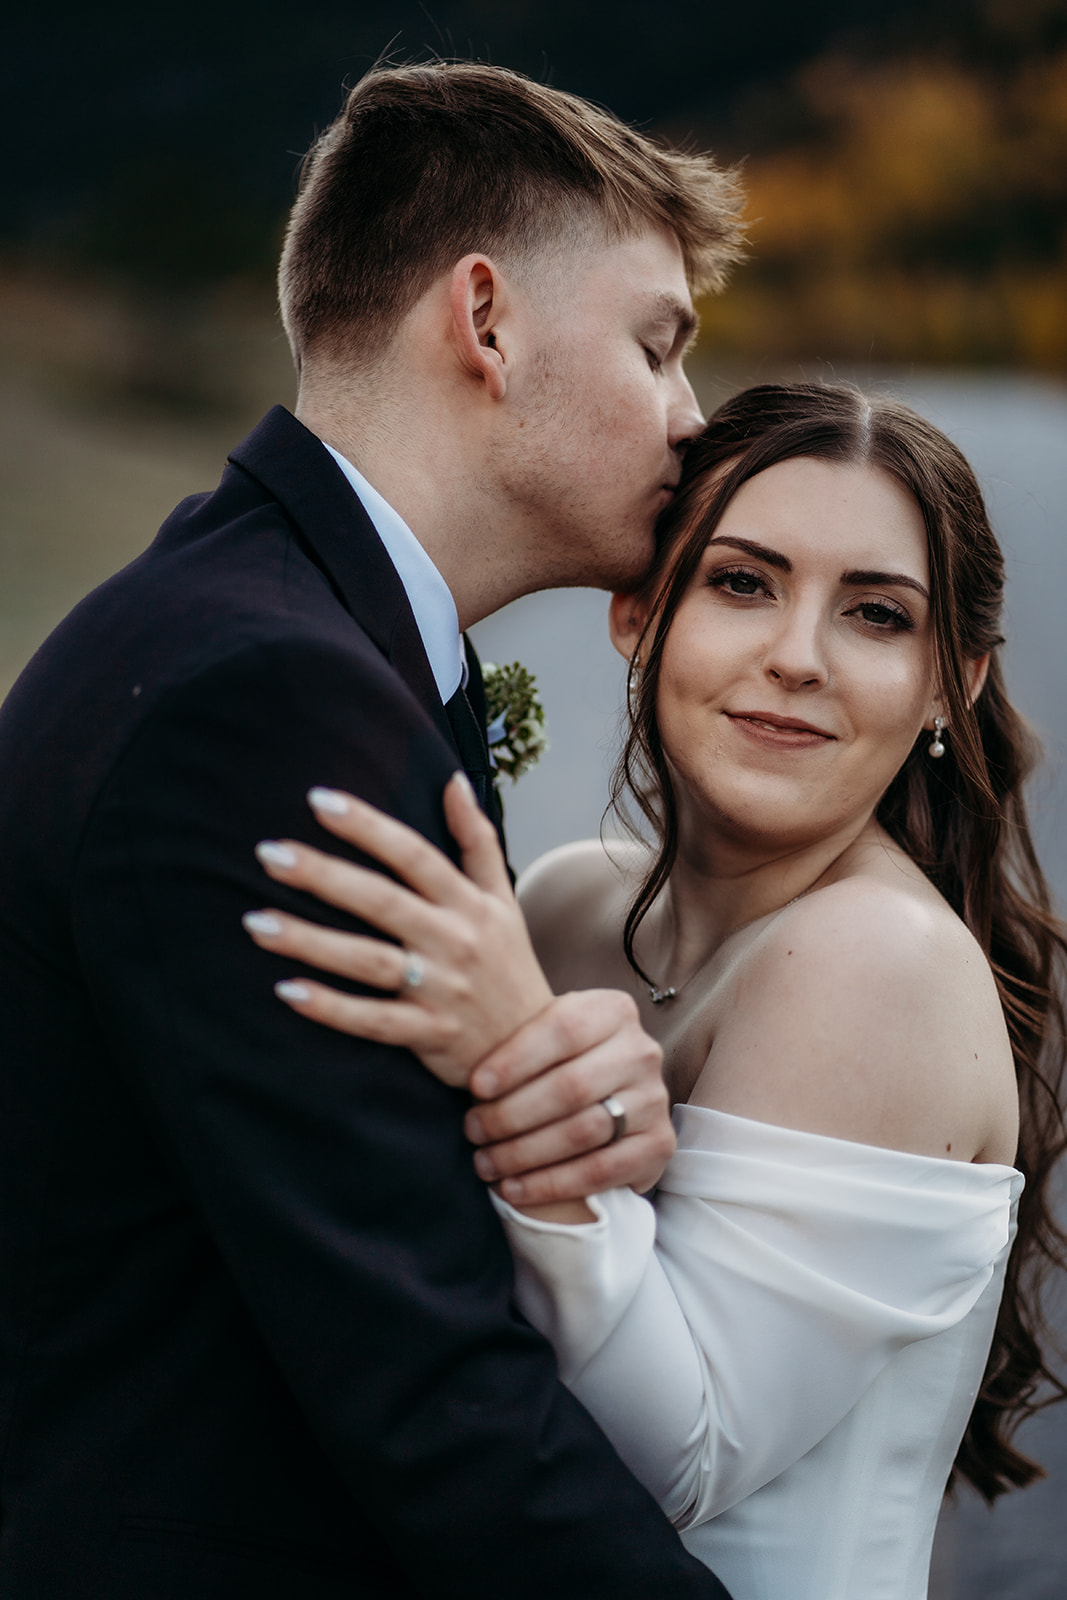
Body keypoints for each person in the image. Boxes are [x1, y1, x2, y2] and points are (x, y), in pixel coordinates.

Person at [0, 62, 746, 1598]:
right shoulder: (262, 699)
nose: (689, 418)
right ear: (484, 318)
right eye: (657, 345)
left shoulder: (252, 622)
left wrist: (559, 1085)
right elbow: (419, 1375)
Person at [245, 382, 1067, 1599]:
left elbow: (677, 1461)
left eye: (876, 615)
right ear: (638, 614)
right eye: (742, 583)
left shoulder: (877, 962)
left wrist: (530, 1072)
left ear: (951, 678)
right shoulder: (571, 906)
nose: (795, 657)